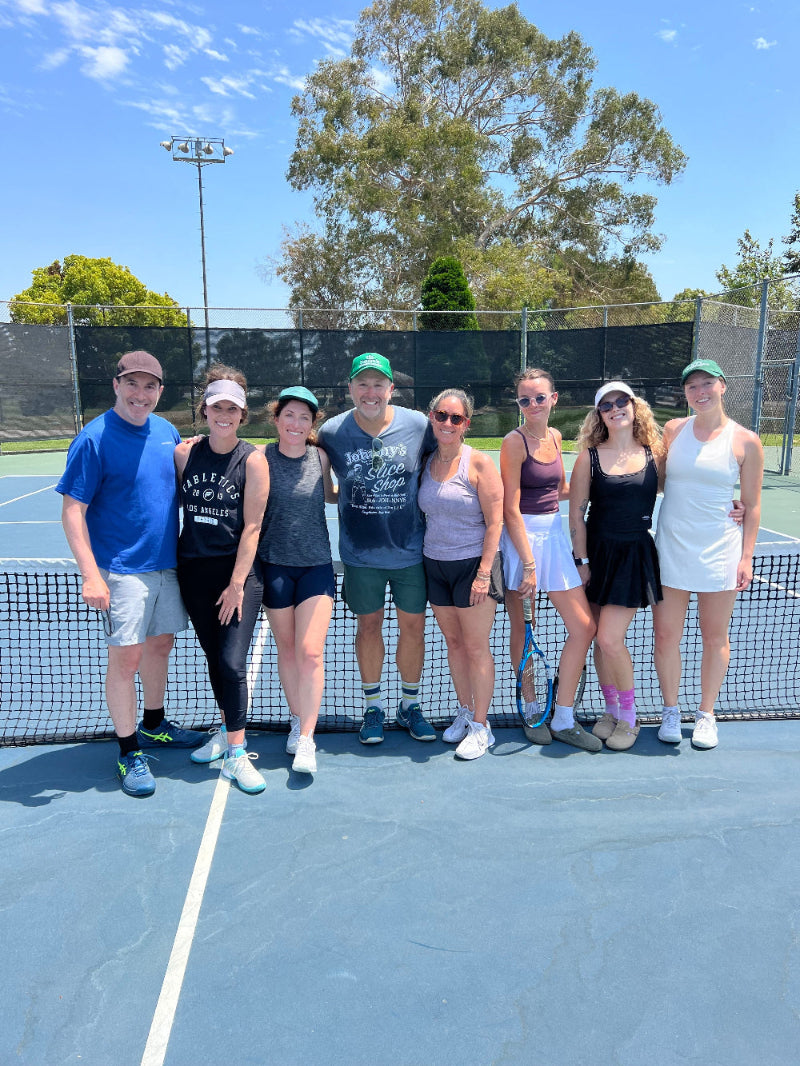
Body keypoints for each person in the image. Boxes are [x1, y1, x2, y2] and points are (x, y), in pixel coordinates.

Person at [57, 350, 203, 798]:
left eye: (150, 386)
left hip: (166, 564)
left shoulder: (165, 430)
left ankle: (154, 724)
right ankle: (127, 752)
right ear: (117, 385)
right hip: (120, 572)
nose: (141, 394)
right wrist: (90, 574)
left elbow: (173, 483)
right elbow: (72, 510)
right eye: (133, 384)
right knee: (127, 660)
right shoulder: (94, 438)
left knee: (161, 644)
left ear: (160, 391)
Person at [317, 353, 436, 744]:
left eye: (378, 384)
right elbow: (313, 470)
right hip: (359, 555)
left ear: (391, 388)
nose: (371, 392)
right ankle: (373, 707)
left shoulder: (419, 425)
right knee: (368, 627)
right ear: (350, 388)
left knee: (412, 628)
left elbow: (443, 464)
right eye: (362, 384)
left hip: (410, 553)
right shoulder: (333, 433)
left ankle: (410, 705)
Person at [653, 358, 763, 750]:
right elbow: (659, 482)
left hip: (720, 550)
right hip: (671, 546)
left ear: (723, 386)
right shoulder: (672, 430)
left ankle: (706, 714)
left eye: (707, 384)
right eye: (692, 387)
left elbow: (752, 505)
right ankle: (670, 710)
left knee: (714, 635)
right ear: (686, 393)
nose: (700, 393)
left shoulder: (746, 440)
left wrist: (746, 557)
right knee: (665, 635)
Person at [174, 366, 270, 793]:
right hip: (193, 572)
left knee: (233, 661)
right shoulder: (184, 454)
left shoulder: (253, 459)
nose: (224, 415)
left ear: (243, 413)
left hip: (239, 577)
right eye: (217, 407)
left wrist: (236, 584)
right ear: (205, 411)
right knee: (215, 660)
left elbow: (252, 527)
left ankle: (236, 751)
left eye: (232, 408)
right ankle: (225, 730)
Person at [499, 369, 600, 752]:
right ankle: (532, 710)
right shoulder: (514, 442)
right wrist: (526, 563)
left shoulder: (557, 438)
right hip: (522, 540)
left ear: (553, 398)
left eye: (539, 397)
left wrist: (601, 483)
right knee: (524, 630)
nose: (532, 405)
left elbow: (560, 490)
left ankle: (562, 716)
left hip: (555, 537)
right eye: (525, 400)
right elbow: (510, 507)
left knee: (584, 626)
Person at [569, 382, 664, 751]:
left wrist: (731, 505)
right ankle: (610, 711)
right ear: (599, 415)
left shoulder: (657, 454)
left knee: (610, 639)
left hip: (633, 555)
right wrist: (582, 562)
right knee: (597, 639)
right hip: (597, 556)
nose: (615, 408)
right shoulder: (588, 458)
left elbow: (687, 489)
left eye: (621, 401)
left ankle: (629, 716)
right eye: (606, 405)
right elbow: (577, 515)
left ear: (634, 406)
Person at [418, 389, 504, 760]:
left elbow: (495, 522)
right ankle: (466, 713)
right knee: (454, 645)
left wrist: (484, 573)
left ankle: (483, 727)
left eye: (456, 418)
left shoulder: (480, 464)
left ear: (466, 424)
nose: (448, 423)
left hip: (472, 567)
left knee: (475, 646)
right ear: (432, 418)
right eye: (442, 415)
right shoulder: (425, 461)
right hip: (434, 566)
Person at [257, 386, 336, 774]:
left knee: (310, 652)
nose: (296, 423)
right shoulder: (259, 458)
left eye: (304, 417)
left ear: (312, 424)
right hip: (274, 568)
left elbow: (337, 496)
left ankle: (307, 738)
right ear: (276, 418)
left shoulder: (320, 457)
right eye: (289, 415)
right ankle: (295, 719)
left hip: (316, 566)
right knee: (287, 651)